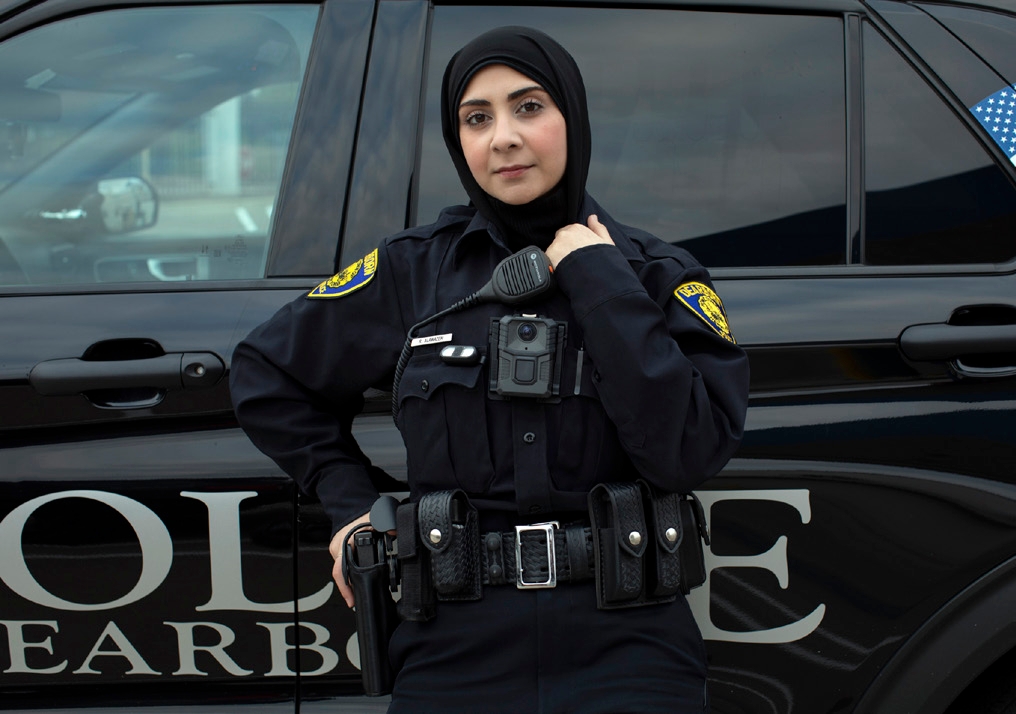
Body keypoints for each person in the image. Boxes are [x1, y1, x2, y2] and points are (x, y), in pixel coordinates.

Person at [230, 25, 749, 713]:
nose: (503, 137)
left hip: (631, 643)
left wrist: (601, 283)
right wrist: (353, 504)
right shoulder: (411, 271)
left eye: (529, 107)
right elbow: (266, 371)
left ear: (574, 117)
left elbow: (688, 452)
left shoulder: (656, 274)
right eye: (477, 118)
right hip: (450, 645)